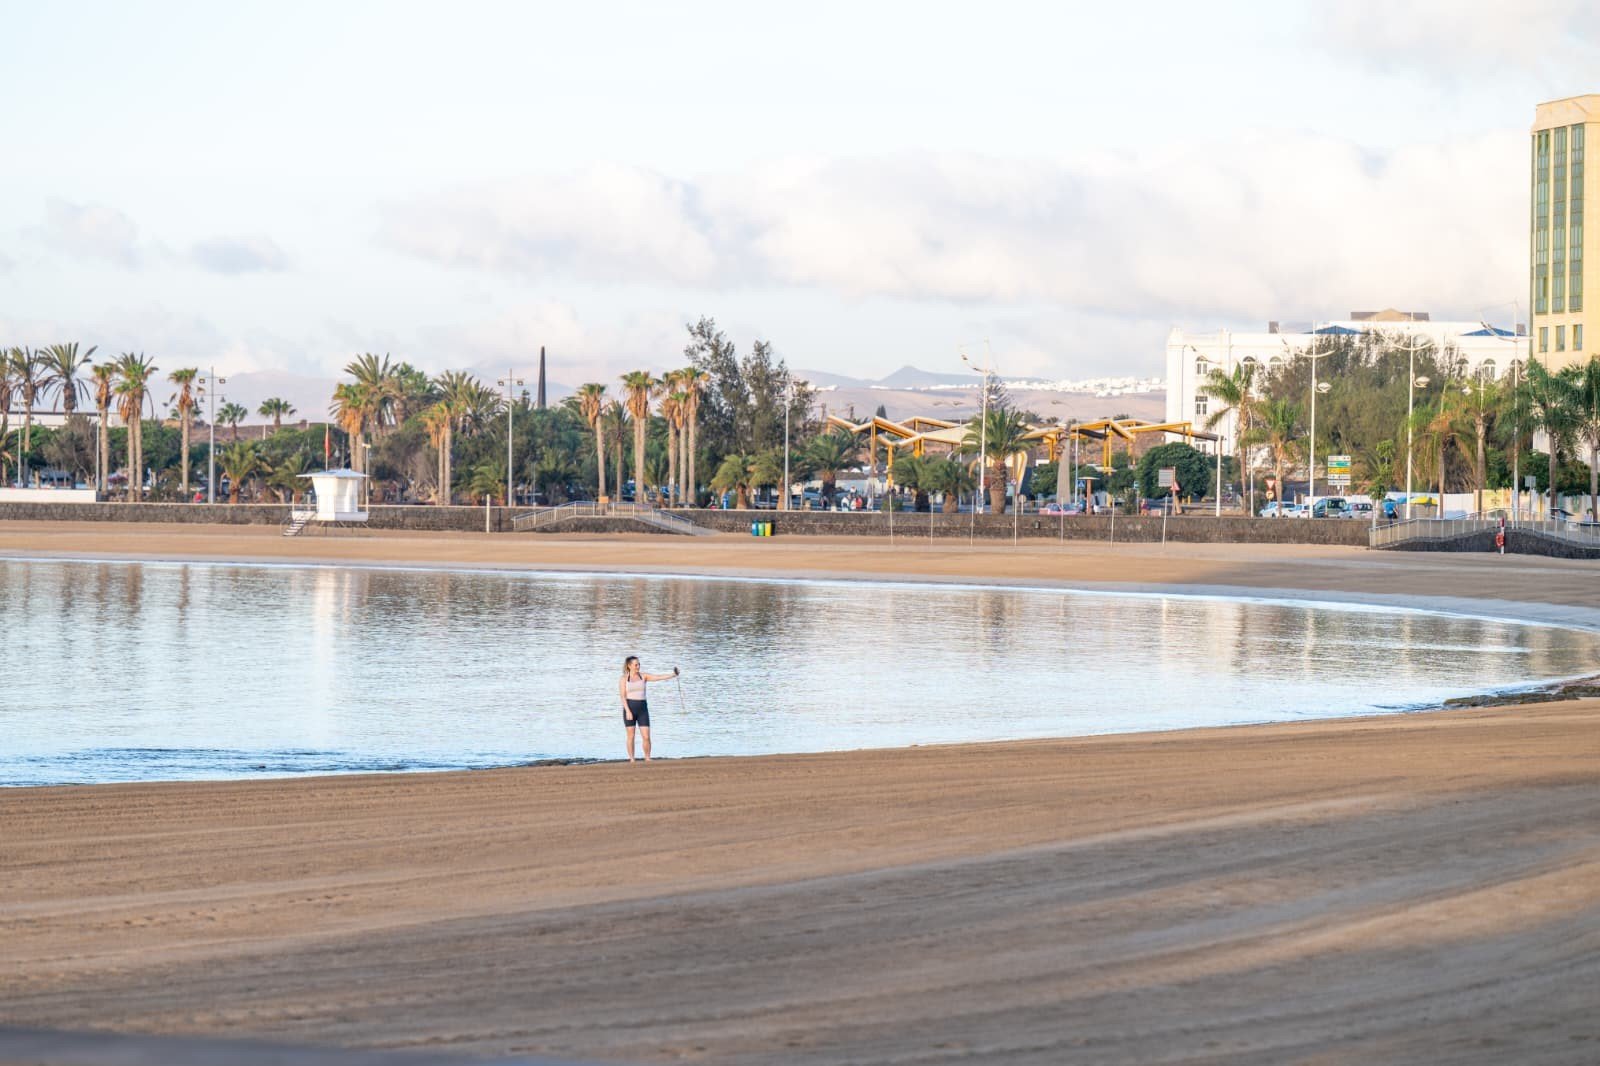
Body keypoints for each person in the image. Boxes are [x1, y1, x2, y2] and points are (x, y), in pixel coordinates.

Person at [618, 655, 677, 763]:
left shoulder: (643, 676)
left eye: (639, 664)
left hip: (642, 709)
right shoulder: (624, 679)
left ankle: (647, 757)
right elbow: (622, 696)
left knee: (646, 736)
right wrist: (627, 711)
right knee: (631, 736)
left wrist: (673, 675)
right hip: (630, 708)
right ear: (629, 666)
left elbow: (658, 677)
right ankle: (632, 759)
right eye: (636, 664)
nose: (638, 666)